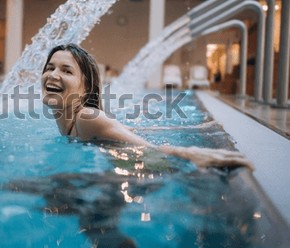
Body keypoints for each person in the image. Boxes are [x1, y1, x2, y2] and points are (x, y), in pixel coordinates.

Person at [41, 43, 254, 171]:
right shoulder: (70, 120)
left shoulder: (87, 118)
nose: (53, 75)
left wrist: (191, 155)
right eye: (50, 68)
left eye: (66, 71)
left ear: (86, 87)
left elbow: (147, 150)